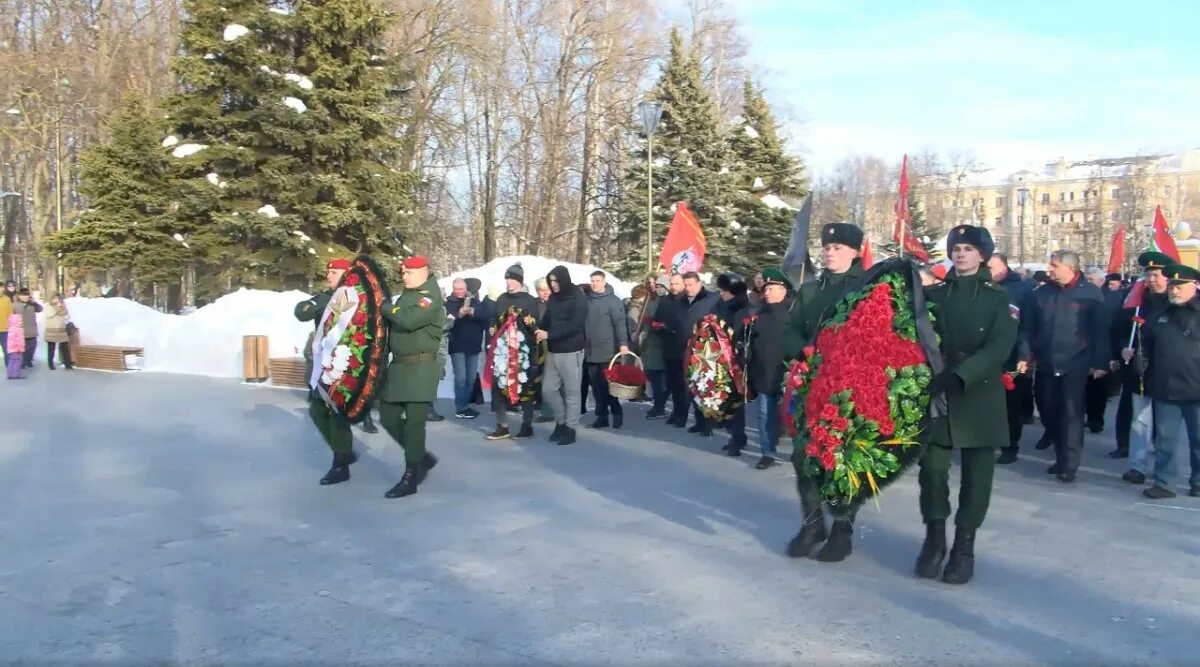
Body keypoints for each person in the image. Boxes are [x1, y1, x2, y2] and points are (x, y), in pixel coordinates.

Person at [915, 226, 1018, 585]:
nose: (960, 254)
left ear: (982, 255)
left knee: (977, 478)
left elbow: (999, 346)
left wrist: (962, 375)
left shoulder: (997, 298)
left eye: (969, 249)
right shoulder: (935, 294)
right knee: (931, 469)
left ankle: (964, 547)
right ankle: (935, 538)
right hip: (938, 390)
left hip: (978, 392)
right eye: (956, 248)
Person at [785, 222, 867, 563]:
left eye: (837, 248)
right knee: (804, 456)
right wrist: (801, 350)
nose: (830, 253)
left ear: (854, 252)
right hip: (812, 384)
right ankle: (813, 522)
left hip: (852, 388)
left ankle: (842, 530)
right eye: (827, 248)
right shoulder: (810, 289)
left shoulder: (869, 288)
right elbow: (791, 330)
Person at [1024, 250, 1111, 483]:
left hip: (1076, 362)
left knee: (1072, 414)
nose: (1049, 269)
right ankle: (1060, 456)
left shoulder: (1091, 294)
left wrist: (1100, 361)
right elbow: (1028, 328)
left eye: (1054, 265)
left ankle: (1069, 464)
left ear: (1070, 268)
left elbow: (1100, 332)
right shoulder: (1041, 293)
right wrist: (1025, 354)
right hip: (1046, 362)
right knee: (1048, 410)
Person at [378, 256, 444, 498]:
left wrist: (386, 307)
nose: (403, 277)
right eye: (403, 273)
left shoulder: (430, 297)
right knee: (388, 417)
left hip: (420, 368)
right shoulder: (409, 293)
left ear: (423, 272)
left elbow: (407, 319)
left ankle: (411, 475)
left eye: (408, 273)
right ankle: (420, 456)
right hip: (399, 368)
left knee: (415, 423)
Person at [294, 258, 359, 486]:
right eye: (328, 272)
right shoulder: (324, 296)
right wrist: (309, 306)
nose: (329, 275)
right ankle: (343, 451)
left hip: (344, 362)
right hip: (322, 361)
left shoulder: (354, 295)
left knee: (337, 413)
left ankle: (340, 464)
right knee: (316, 409)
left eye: (335, 272)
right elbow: (301, 313)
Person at [1139, 264, 1200, 499]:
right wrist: (1141, 364)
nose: (1174, 291)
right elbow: (1147, 344)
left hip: (1196, 388)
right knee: (1165, 441)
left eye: (1179, 286)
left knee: (1198, 440)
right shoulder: (1161, 312)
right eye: (1172, 285)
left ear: (1194, 285)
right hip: (1165, 387)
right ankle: (1165, 483)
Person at [1112, 252, 1171, 476]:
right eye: (1148, 274)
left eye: (1156, 274)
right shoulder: (1135, 299)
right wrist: (1122, 348)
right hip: (1140, 369)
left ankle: (1164, 470)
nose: (1151, 279)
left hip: (1168, 370)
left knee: (1166, 424)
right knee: (1139, 421)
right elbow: (1118, 329)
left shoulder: (1176, 301)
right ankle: (1137, 466)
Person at [736, 269, 792, 469]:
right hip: (762, 373)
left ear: (783, 290)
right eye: (766, 288)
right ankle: (766, 452)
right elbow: (746, 339)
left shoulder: (793, 312)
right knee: (764, 414)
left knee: (791, 415)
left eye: (771, 289)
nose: (767, 292)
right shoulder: (757, 313)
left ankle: (799, 452)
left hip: (787, 374)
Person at [485, 264, 542, 441]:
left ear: (519, 281)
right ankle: (502, 426)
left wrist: (528, 322)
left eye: (513, 279)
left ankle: (527, 425)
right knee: (498, 387)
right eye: (507, 278)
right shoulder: (501, 299)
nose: (509, 282)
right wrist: (492, 327)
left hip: (522, 352)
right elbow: (494, 318)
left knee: (525, 387)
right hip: (502, 353)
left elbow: (535, 325)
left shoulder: (529, 300)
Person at [987, 253, 1033, 464]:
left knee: (1010, 406)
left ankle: (1010, 446)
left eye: (991, 267)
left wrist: (1025, 354)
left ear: (1004, 268)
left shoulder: (1022, 290)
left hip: (1012, 356)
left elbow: (1028, 326)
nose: (987, 271)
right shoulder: (983, 286)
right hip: (987, 355)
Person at [538, 265, 588, 445]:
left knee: (572, 392)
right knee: (548, 390)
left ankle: (571, 427)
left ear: (564, 280)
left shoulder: (578, 298)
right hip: (553, 350)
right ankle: (560, 421)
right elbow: (547, 320)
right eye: (551, 282)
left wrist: (549, 335)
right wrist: (536, 327)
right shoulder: (552, 299)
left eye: (556, 281)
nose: (553, 285)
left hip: (571, 350)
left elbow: (575, 326)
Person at [671, 272, 719, 435]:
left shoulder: (711, 299)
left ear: (699, 283)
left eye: (691, 285)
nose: (688, 288)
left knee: (705, 387)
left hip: (704, 350)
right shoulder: (680, 301)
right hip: (684, 350)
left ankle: (708, 423)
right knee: (692, 388)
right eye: (686, 285)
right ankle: (699, 421)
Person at [583, 270, 630, 429]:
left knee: (608, 385)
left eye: (597, 280)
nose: (594, 283)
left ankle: (616, 412)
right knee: (596, 387)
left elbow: (620, 324)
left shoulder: (613, 301)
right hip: (590, 350)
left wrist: (623, 343)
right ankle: (601, 417)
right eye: (592, 280)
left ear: (604, 282)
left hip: (608, 351)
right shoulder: (587, 300)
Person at [715, 273, 753, 453]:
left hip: (737, 361)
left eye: (724, 290)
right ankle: (735, 436)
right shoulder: (721, 306)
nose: (721, 293)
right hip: (721, 358)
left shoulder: (744, 309)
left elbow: (745, 335)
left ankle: (737, 438)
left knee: (735, 401)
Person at [446, 278, 490, 420]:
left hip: (473, 345)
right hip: (457, 345)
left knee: (471, 378)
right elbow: (447, 323)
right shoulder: (448, 304)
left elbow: (485, 316)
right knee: (461, 378)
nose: (459, 292)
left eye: (462, 289)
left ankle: (465, 404)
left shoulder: (475, 302)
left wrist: (472, 311)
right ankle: (461, 407)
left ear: (466, 289)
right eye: (457, 289)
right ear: (453, 289)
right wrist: (459, 315)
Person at [640, 276, 671, 419]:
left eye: (661, 287)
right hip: (650, 343)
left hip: (662, 344)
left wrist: (658, 323)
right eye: (657, 287)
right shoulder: (651, 301)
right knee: (652, 376)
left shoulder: (669, 301)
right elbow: (646, 317)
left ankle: (659, 406)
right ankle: (658, 404)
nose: (658, 289)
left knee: (661, 380)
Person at [43, 293, 75, 370]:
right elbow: (49, 314)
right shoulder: (48, 305)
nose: (57, 300)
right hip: (51, 329)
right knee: (51, 347)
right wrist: (57, 308)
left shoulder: (62, 305)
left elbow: (66, 313)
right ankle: (50, 364)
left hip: (61, 329)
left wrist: (62, 308)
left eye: (58, 298)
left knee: (64, 347)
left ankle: (68, 364)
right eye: (55, 298)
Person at [12, 288, 42, 368]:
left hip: (32, 330)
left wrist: (33, 302)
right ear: (19, 296)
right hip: (20, 330)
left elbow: (40, 309)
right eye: (23, 295)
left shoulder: (32, 304)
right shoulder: (14, 305)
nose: (25, 297)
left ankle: (28, 359)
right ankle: (23, 362)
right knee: (21, 348)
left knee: (32, 347)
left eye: (27, 295)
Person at [5, 308, 24, 379]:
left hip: (11, 349)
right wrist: (18, 348)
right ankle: (16, 375)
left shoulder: (11, 328)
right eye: (20, 321)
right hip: (16, 349)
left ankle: (10, 374)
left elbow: (11, 340)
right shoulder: (18, 329)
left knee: (12, 361)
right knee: (17, 361)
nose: (22, 322)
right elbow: (17, 340)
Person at [0, 280, 13, 357]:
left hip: (4, 330)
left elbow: (10, 314)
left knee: (7, 350)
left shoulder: (6, 299)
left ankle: (10, 368)